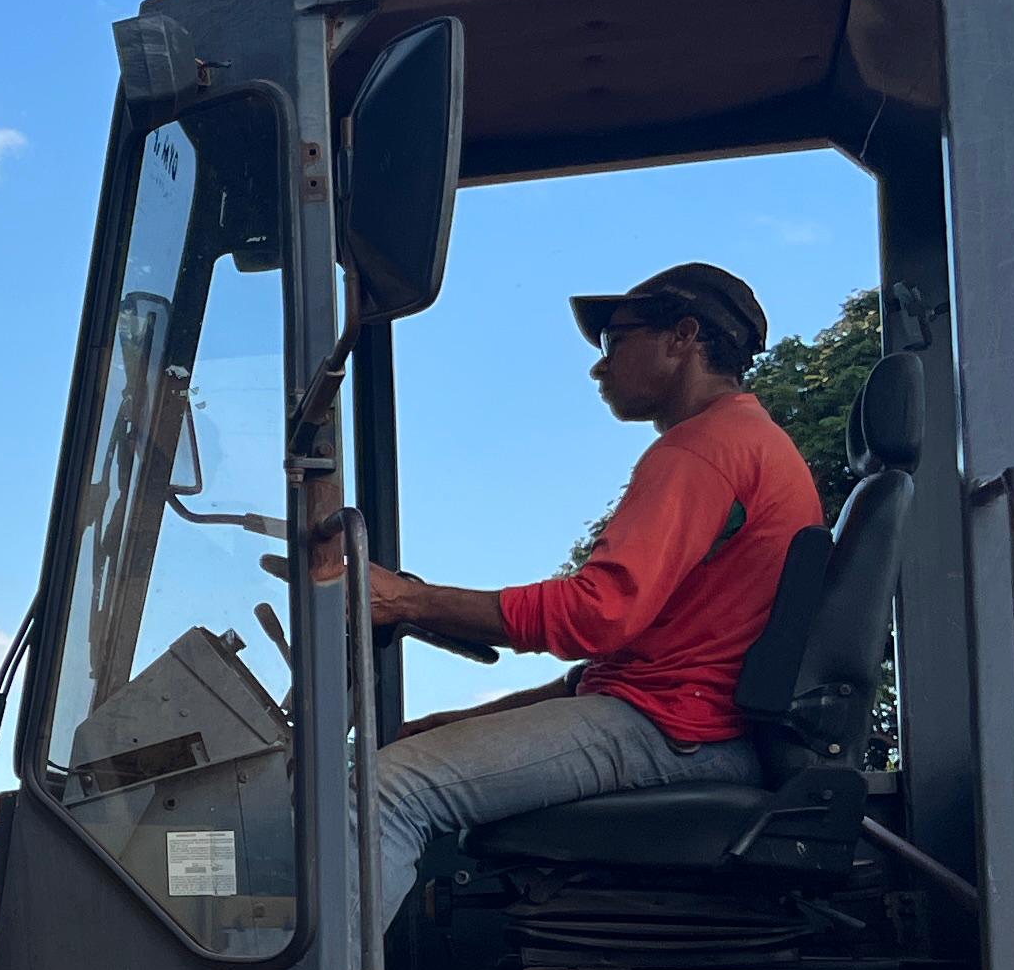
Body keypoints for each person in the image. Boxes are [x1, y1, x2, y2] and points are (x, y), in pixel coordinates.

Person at [347, 261, 823, 930]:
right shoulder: (751, 445)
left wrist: (408, 602)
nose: (600, 368)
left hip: (674, 732)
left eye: (615, 340)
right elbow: (624, 662)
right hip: (684, 724)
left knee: (384, 790)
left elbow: (598, 614)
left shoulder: (703, 451)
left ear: (683, 337)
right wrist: (450, 725)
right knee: (407, 751)